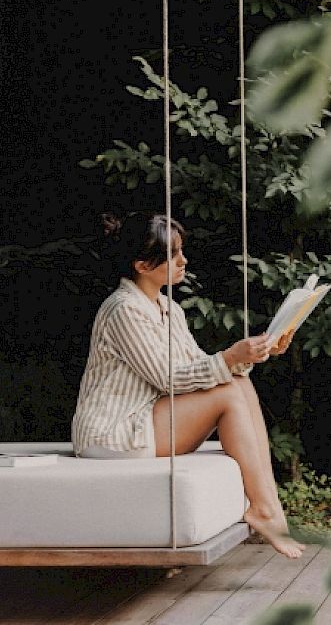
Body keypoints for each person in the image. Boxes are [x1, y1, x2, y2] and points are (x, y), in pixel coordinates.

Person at [72, 211, 305, 559]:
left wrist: (255, 353)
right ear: (142, 265)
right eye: (173, 254)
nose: (184, 260)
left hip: (145, 417)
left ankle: (269, 508)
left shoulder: (169, 308)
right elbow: (168, 379)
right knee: (229, 390)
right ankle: (265, 509)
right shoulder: (123, 309)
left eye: (181, 251)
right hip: (112, 433)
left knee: (238, 383)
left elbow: (199, 369)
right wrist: (229, 358)